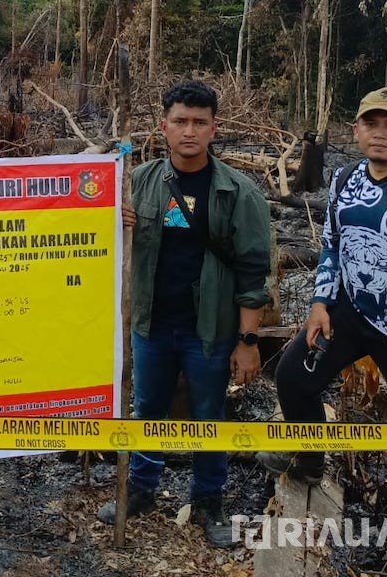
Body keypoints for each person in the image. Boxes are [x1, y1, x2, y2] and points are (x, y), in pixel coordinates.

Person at [258, 86, 387, 562]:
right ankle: (309, 459)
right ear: (355, 130)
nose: (380, 134)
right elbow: (333, 244)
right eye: (371, 124)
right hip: (351, 313)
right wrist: (320, 301)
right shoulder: (345, 179)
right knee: (293, 377)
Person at [98, 80, 272, 548]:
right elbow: (99, 244)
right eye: (180, 121)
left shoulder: (238, 193)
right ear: (164, 126)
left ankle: (208, 501)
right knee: (147, 409)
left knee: (209, 415)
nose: (189, 131)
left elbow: (254, 271)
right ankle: (141, 488)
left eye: (199, 122)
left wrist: (248, 340)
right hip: (151, 326)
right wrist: (114, 222)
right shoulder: (138, 182)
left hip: (209, 330)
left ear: (214, 128)